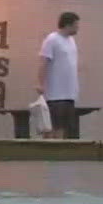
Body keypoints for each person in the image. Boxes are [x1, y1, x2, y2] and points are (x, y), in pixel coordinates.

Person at [37, 11, 81, 139]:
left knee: (63, 126)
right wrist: (40, 83)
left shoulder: (71, 41)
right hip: (55, 93)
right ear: (67, 25)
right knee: (52, 125)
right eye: (76, 25)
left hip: (69, 93)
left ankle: (59, 150)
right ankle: (48, 151)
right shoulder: (52, 39)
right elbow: (43, 62)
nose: (77, 28)